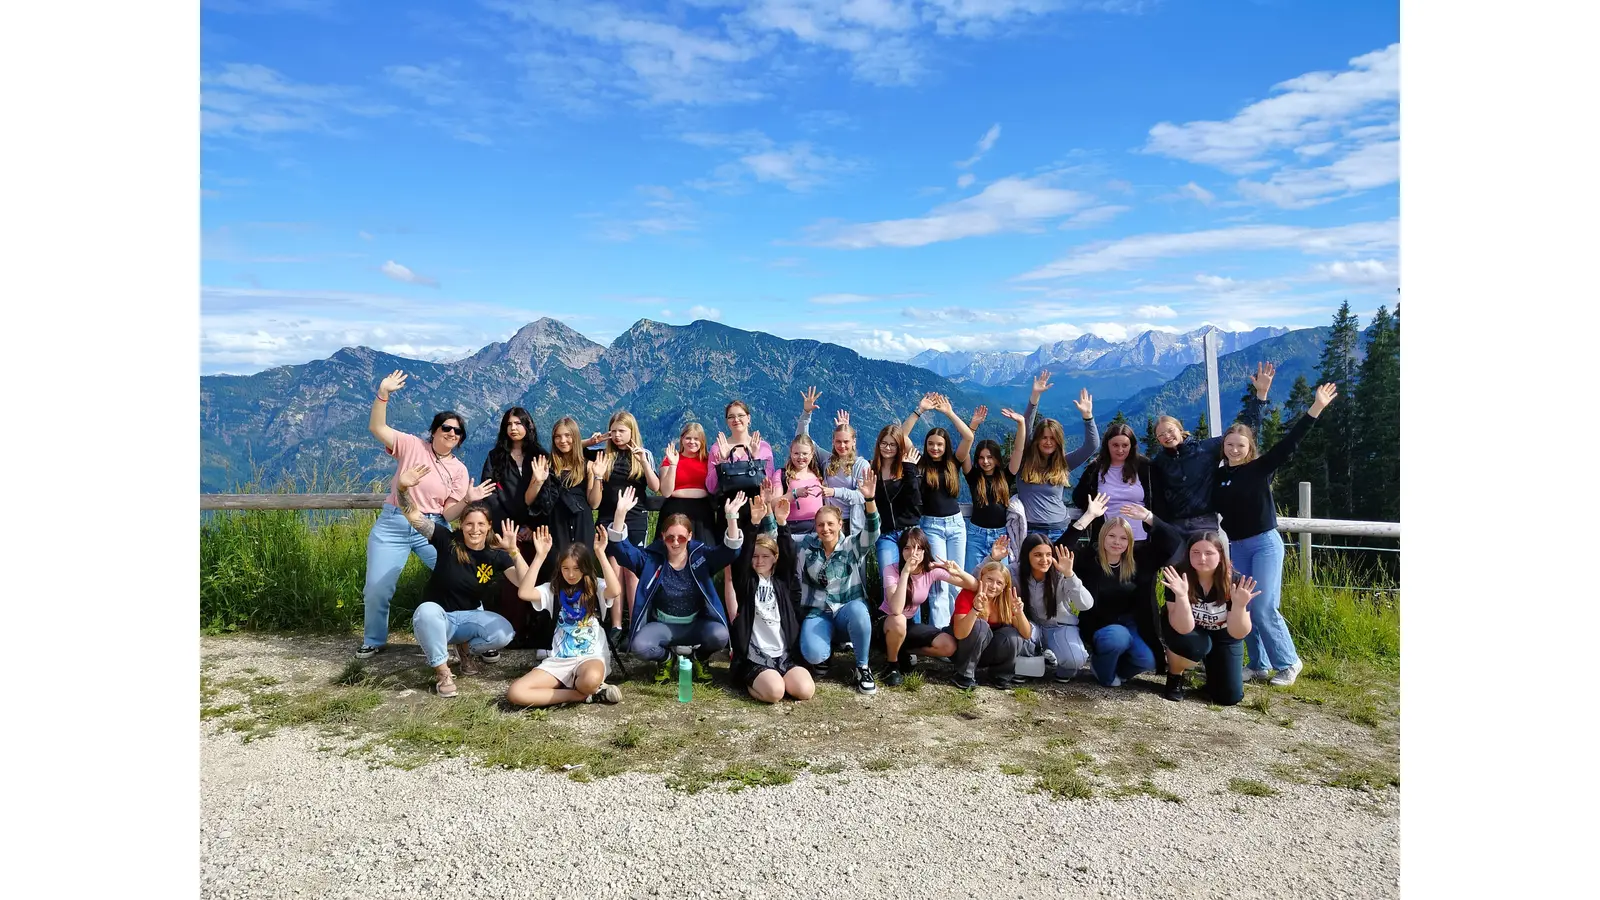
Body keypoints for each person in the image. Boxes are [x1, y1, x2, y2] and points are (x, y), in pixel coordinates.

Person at [357, 370, 496, 660]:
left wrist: (468, 500)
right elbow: (377, 427)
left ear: (460, 440)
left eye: (457, 432)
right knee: (377, 588)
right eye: (446, 428)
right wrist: (383, 393)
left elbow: (450, 511)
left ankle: (481, 636)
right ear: (434, 430)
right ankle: (374, 639)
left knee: (463, 576)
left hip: (433, 527)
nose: (451, 434)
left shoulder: (459, 470)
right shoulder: (410, 445)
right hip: (394, 521)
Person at [1215, 381, 1339, 687]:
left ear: (1249, 448)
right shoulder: (1218, 476)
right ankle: (1259, 664)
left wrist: (1316, 408)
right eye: (1229, 444)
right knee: (1243, 603)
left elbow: (1290, 442)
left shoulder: (1260, 468)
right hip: (1237, 547)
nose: (1234, 449)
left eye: (1240, 446)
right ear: (1224, 447)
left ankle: (1288, 661)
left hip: (1264, 545)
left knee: (1263, 605)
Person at [394, 464, 525, 698]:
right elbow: (413, 516)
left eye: (481, 524)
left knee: (504, 633)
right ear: (461, 526)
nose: (475, 530)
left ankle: (465, 649)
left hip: (468, 618)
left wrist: (515, 551)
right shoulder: (446, 540)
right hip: (439, 619)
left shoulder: (496, 555)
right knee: (425, 612)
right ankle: (443, 671)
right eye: (469, 524)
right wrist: (402, 488)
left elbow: (524, 585)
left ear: (488, 527)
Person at [607, 486, 746, 683]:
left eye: (681, 537)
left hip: (695, 625)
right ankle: (666, 659)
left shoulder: (702, 557)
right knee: (639, 646)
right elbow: (623, 552)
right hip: (663, 625)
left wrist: (731, 518)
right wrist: (620, 514)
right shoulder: (651, 559)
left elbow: (730, 552)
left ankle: (699, 659)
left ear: (689, 537)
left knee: (720, 635)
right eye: (670, 537)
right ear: (662, 536)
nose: (675, 542)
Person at [1058, 494, 1187, 687]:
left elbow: (1174, 544)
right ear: (1102, 537)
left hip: (1132, 625)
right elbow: (1060, 548)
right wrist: (1089, 516)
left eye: (1122, 538)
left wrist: (1149, 517)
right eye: (1111, 536)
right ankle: (1105, 675)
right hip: (1100, 626)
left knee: (1148, 660)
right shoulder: (1088, 559)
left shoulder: (1140, 560)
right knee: (1118, 638)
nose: (1116, 542)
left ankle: (1110, 668)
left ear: (1130, 541)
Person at [506, 525, 624, 707]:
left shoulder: (596, 586)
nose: (570, 574)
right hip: (559, 659)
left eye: (576, 568)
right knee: (516, 692)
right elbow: (525, 592)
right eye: (565, 568)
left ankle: (588, 688)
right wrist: (540, 556)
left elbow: (615, 590)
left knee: (590, 680)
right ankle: (580, 695)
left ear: (585, 568)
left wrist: (600, 553)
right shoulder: (553, 589)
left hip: (590, 657)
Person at [1149, 362, 1270, 536]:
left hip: (1204, 522)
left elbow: (1244, 431)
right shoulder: (1159, 462)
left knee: (1207, 563)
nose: (1167, 436)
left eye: (1170, 430)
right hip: (1174, 525)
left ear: (1180, 429)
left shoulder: (1205, 449)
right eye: (1161, 435)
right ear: (1158, 440)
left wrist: (1261, 395)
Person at [726, 482, 815, 704]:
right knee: (775, 693)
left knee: (805, 691)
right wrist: (754, 524)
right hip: (755, 655)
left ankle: (774, 679)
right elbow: (742, 558)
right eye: (755, 557)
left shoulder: (782, 583)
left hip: (784, 654)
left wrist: (783, 524)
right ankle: (748, 681)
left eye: (765, 556)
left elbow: (789, 557)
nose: (759, 561)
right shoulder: (747, 583)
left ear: (774, 558)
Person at [795, 468, 882, 694]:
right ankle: (826, 649)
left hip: (846, 610)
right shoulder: (807, 545)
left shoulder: (851, 545)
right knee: (813, 653)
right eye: (821, 525)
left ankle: (862, 666)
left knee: (859, 612)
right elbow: (780, 538)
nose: (826, 529)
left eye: (830, 524)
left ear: (839, 525)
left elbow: (872, 531)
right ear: (815, 527)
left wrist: (869, 500)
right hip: (818, 612)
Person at [524, 416, 605, 641]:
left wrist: (598, 476)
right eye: (558, 436)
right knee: (554, 572)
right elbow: (529, 499)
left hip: (581, 523)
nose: (563, 440)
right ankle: (549, 633)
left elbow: (594, 502)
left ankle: (585, 628)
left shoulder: (588, 465)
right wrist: (538, 481)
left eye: (567, 435)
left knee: (583, 572)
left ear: (575, 437)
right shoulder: (546, 464)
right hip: (555, 523)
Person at [1160, 533, 1261, 705]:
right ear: (1188, 554)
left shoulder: (1234, 581)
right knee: (1197, 645)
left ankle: (1213, 678)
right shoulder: (1177, 575)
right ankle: (1175, 676)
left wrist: (1239, 606)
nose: (1202, 558)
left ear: (1221, 555)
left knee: (1229, 697)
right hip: (1188, 630)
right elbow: (1182, 627)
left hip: (1223, 634)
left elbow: (1238, 633)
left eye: (1209, 553)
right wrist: (1182, 596)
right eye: (1196, 552)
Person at [481, 407, 553, 652]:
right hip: (507, 531)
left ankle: (537, 632)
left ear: (528, 426)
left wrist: (531, 526)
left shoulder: (540, 456)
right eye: (509, 424)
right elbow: (489, 495)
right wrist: (509, 529)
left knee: (539, 580)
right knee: (512, 584)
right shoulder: (495, 457)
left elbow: (547, 495)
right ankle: (511, 632)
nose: (513, 428)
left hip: (536, 532)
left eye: (518, 423)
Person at [900, 392, 972, 628]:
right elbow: (901, 436)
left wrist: (949, 412)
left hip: (956, 525)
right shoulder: (920, 462)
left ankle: (958, 628)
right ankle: (941, 634)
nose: (935, 448)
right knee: (940, 583)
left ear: (946, 446)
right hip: (931, 526)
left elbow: (968, 436)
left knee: (957, 579)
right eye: (931, 444)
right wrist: (919, 410)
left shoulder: (954, 462)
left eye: (939, 444)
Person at [585, 411, 659, 634]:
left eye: (621, 431)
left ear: (631, 431)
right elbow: (569, 449)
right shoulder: (601, 457)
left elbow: (656, 487)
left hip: (636, 519)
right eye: (613, 431)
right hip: (607, 519)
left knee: (633, 573)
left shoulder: (643, 455)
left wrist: (644, 462)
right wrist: (593, 441)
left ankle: (636, 625)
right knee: (613, 572)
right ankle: (616, 625)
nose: (617, 436)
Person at [1004, 370, 1100, 541]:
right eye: (1044, 438)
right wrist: (1034, 398)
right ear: (1037, 440)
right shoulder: (1024, 459)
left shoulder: (1063, 463)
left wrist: (1088, 417)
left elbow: (1091, 446)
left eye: (1053, 439)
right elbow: (1025, 430)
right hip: (1030, 531)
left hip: (1060, 529)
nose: (1048, 442)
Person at [879, 527, 974, 686]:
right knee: (899, 619)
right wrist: (905, 573)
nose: (912, 553)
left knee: (948, 646)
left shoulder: (930, 570)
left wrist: (957, 571)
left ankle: (902, 651)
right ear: (901, 550)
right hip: (887, 623)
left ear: (924, 551)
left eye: (918, 548)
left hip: (909, 625)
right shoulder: (892, 570)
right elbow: (896, 609)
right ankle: (893, 665)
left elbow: (972, 585)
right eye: (907, 548)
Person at [1010, 533, 1094, 682]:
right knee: (1016, 644)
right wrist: (993, 559)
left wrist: (1069, 574)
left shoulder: (1060, 572)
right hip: (1029, 626)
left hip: (1059, 626)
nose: (1044, 560)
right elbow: (982, 580)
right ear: (1026, 556)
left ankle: (1057, 664)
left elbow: (1086, 604)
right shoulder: (1014, 571)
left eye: (1048, 554)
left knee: (1074, 660)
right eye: (1037, 555)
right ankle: (1034, 660)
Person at [795, 388, 870, 535]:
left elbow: (862, 496)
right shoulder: (827, 460)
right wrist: (806, 413)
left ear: (854, 442)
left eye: (846, 441)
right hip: (829, 522)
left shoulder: (861, 465)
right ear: (833, 441)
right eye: (838, 441)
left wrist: (834, 492)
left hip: (851, 524)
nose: (842, 446)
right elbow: (802, 439)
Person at [949, 561, 1031, 689]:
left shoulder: (1006, 601)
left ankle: (1000, 675)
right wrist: (975, 609)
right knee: (981, 626)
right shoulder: (967, 595)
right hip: (962, 649)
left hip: (987, 651)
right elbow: (959, 634)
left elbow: (1026, 634)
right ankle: (964, 674)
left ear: (1005, 586)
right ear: (981, 578)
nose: (993, 586)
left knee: (1014, 636)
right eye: (989, 579)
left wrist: (1020, 614)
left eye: (999, 583)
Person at [1071, 421, 1152, 546]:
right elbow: (1078, 497)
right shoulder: (1096, 468)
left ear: (1132, 446)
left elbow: (1156, 498)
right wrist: (1094, 511)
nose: (1120, 450)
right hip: (1106, 540)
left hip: (1141, 539)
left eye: (1125, 445)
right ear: (1107, 445)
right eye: (1115, 445)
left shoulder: (1144, 466)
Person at [958, 404, 1014, 571]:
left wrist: (1021, 424)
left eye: (990, 457)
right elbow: (964, 452)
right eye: (981, 457)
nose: (985, 461)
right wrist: (972, 427)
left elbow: (1018, 449)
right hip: (976, 535)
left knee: (999, 581)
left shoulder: (1006, 476)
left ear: (997, 458)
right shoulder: (974, 476)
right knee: (973, 577)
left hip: (1001, 536)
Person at [871, 422, 922, 587]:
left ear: (899, 447)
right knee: (889, 581)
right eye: (884, 443)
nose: (887, 448)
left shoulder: (907, 467)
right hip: (885, 534)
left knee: (913, 583)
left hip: (909, 532)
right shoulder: (872, 470)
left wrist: (909, 471)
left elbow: (915, 502)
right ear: (878, 444)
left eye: (892, 444)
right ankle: (891, 613)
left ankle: (914, 614)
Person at [657, 422, 717, 546]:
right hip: (674, 510)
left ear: (702, 442)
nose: (692, 442)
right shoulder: (669, 459)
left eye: (696, 439)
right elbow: (666, 491)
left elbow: (714, 487)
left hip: (702, 512)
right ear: (682, 439)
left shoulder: (708, 460)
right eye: (688, 438)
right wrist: (673, 464)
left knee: (704, 553)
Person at [778, 433, 827, 544]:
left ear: (812, 454)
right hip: (791, 531)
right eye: (796, 453)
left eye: (805, 453)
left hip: (817, 532)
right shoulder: (782, 475)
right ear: (790, 453)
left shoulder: (819, 473)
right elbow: (773, 503)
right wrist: (794, 494)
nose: (800, 457)